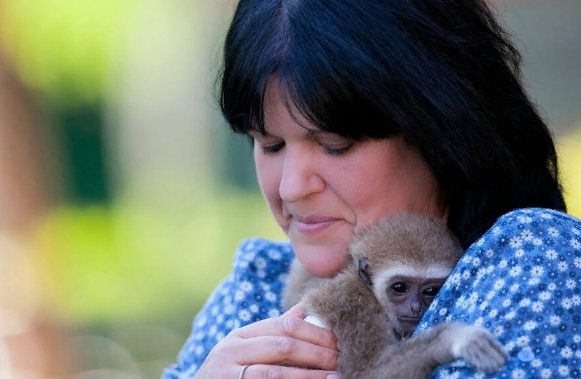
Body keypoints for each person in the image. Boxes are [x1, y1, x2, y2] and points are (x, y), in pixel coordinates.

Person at [164, 0, 579, 378]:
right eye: (269, 145)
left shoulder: (532, 261)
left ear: (438, 134)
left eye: (335, 146)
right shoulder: (254, 289)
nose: (291, 188)